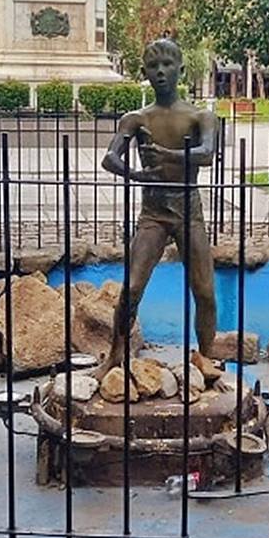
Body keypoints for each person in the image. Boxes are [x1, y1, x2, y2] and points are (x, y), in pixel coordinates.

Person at [96, 38, 223, 385]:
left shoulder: (201, 116)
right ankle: (115, 355)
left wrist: (166, 156)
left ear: (181, 69)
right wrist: (138, 174)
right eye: (154, 66)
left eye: (168, 65)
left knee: (205, 290)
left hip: (188, 209)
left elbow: (208, 153)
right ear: (144, 72)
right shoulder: (137, 118)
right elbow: (110, 158)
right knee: (133, 287)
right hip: (153, 211)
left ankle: (206, 357)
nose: (161, 72)